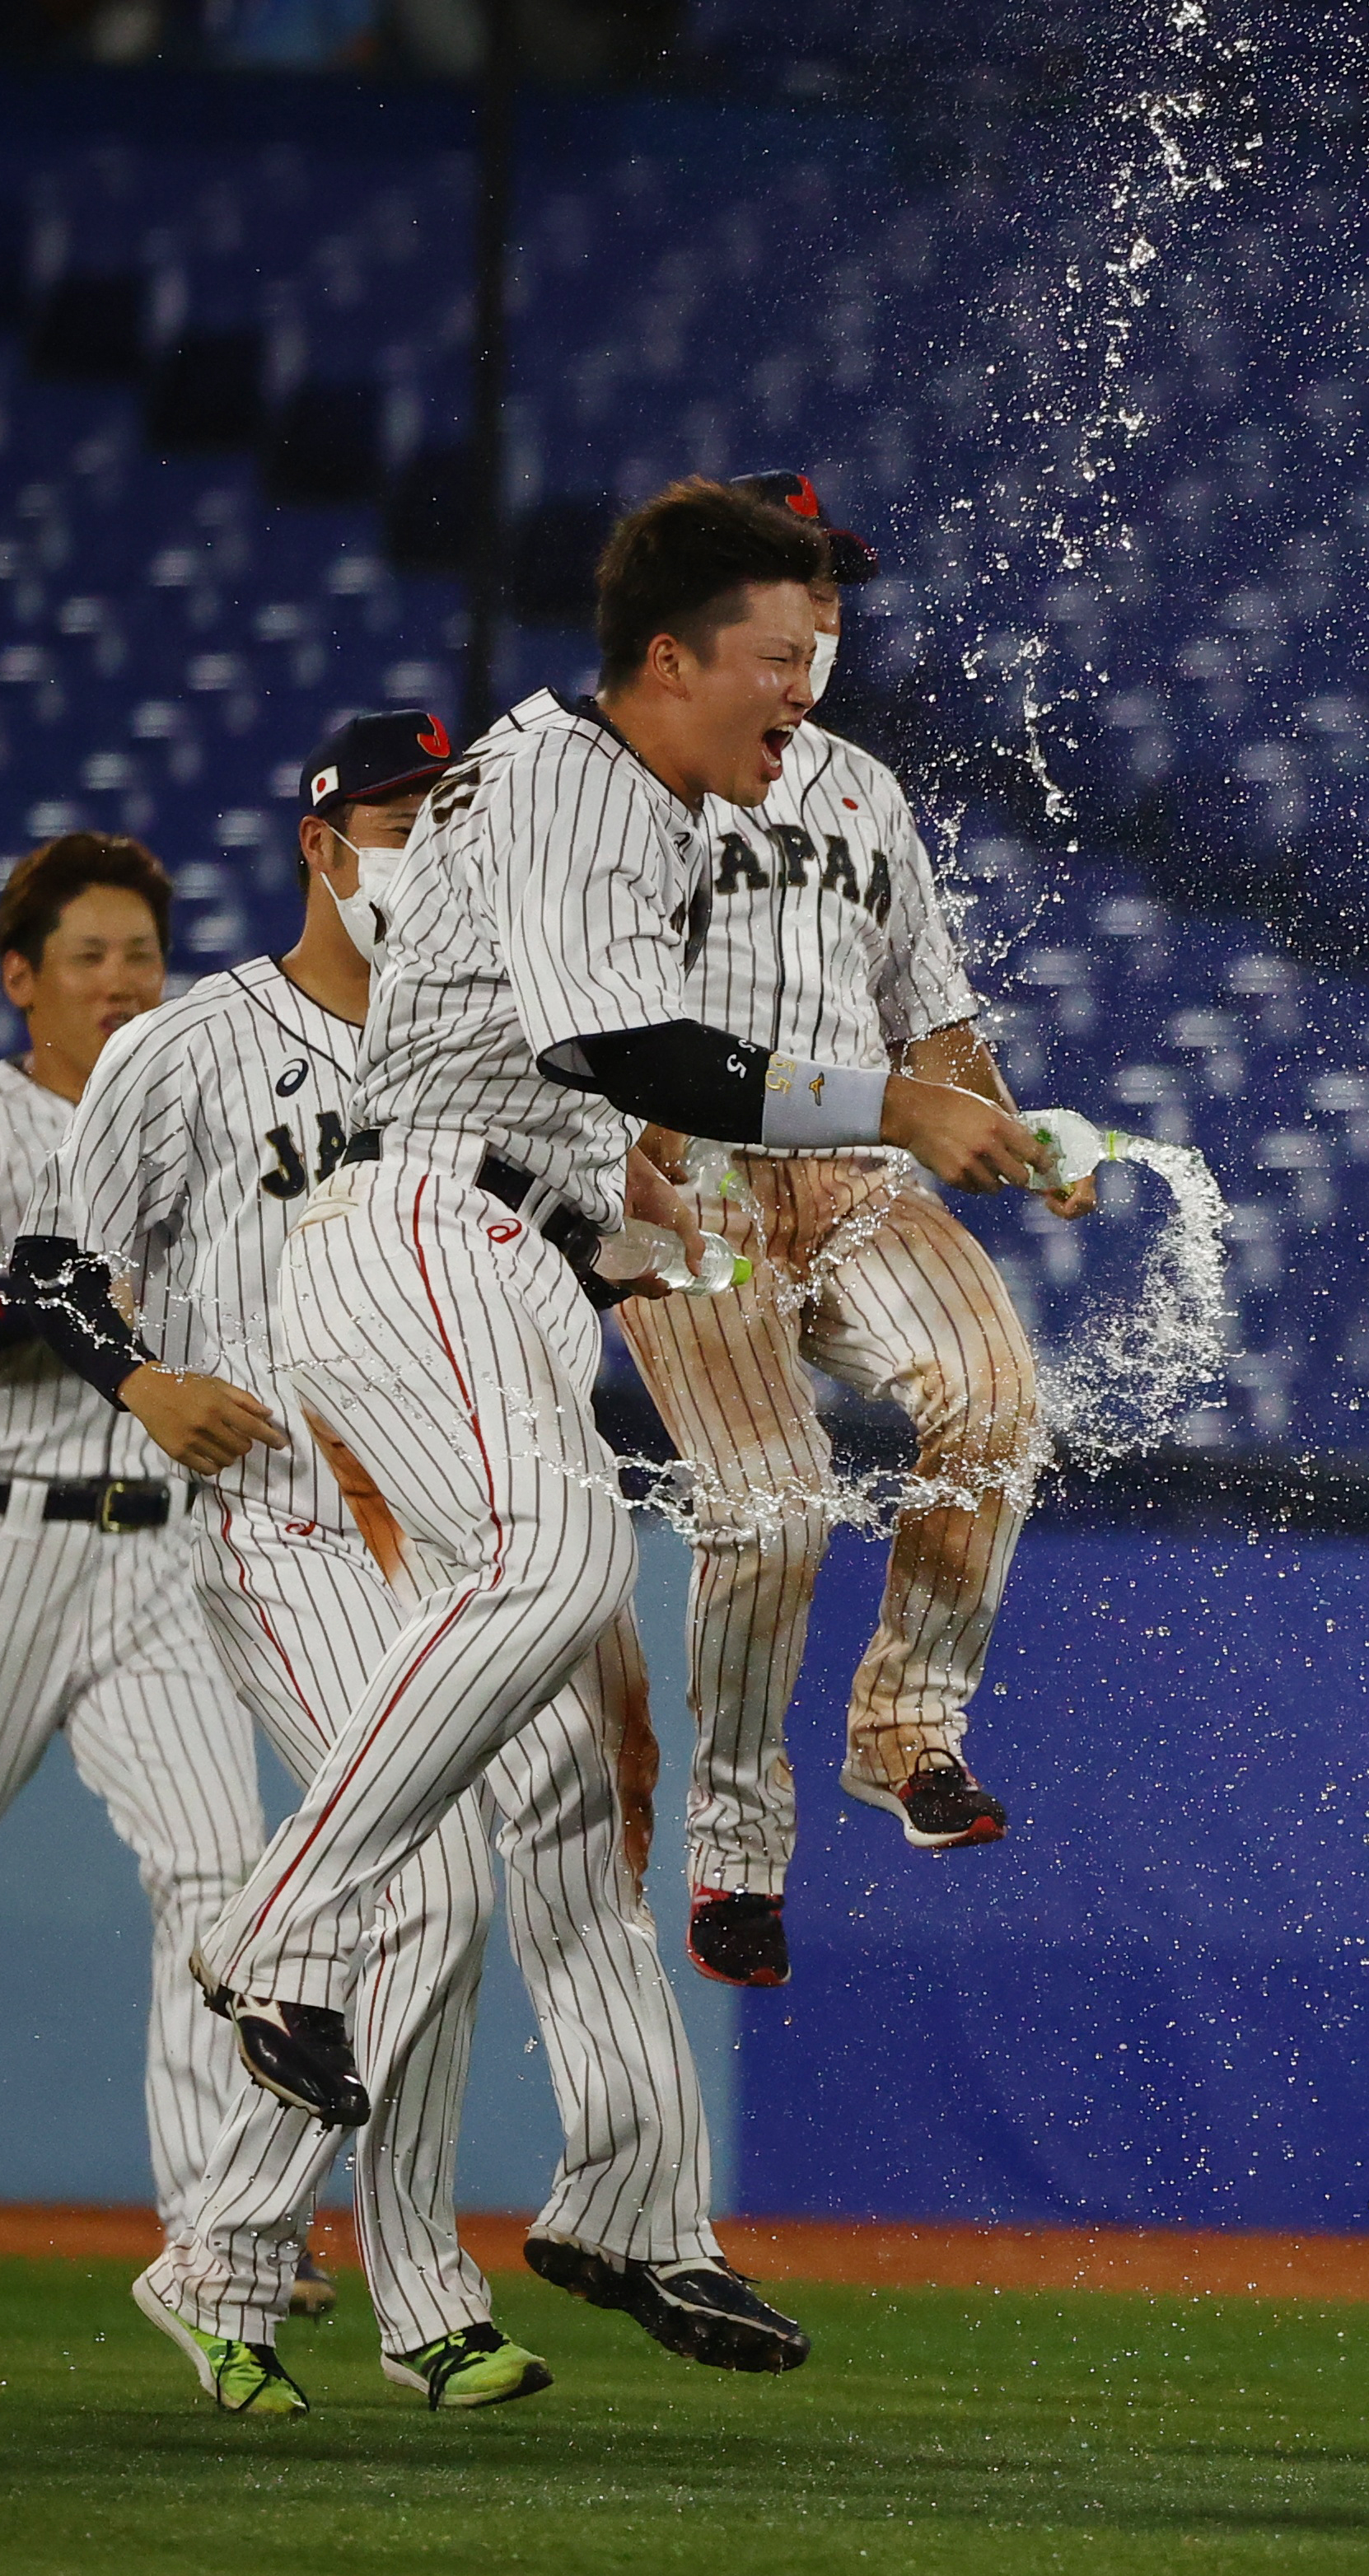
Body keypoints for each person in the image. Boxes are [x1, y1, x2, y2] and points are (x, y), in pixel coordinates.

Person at [176, 479, 1035, 2148]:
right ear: (672, 656)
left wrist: (612, 1215)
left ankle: (327, 1960)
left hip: (507, 1227)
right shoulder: (583, 783)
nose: (810, 683)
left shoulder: (620, 788)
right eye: (779, 655)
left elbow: (545, 1079)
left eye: (816, 649)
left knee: (552, 1632)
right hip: (424, 1225)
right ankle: (286, 1933)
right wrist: (903, 1108)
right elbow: (624, 1057)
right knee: (557, 1572)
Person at [28, 710, 781, 2409]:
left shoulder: (506, 1046)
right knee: (423, 1886)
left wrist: (677, 1263)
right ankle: (323, 2269)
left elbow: (573, 1262)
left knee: (568, 1830)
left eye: (447, 818)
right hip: (284, 1522)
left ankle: (511, 2249)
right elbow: (48, 1270)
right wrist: (142, 1380)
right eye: (390, 819)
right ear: (317, 844)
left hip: (453, 1527)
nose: (423, 849)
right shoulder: (195, 1042)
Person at [610, 469, 1086, 1990]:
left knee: (1000, 1403)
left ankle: (907, 1729)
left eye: (835, 588)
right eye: (797, 579)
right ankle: (737, 1854)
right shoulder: (625, 780)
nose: (824, 610)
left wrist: (1006, 1125)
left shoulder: (860, 787)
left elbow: (927, 1014)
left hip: (861, 1170)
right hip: (695, 1182)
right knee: (772, 1509)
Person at [0, 832, 269, 2389]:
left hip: (168, 1561)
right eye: (88, 956)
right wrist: (62, 1302)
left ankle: (219, 2246)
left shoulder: (202, 1124)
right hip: (7, 1537)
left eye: (142, 956)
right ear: (23, 978)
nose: (122, 981)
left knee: (225, 1884)